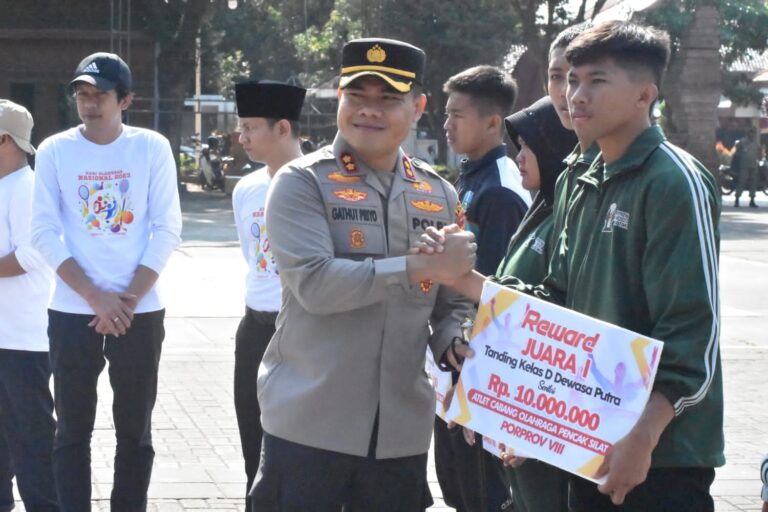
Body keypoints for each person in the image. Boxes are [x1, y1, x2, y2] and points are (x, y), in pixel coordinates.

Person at [420, 20, 723, 512]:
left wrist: (643, 437)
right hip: (587, 445)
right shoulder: (578, 178)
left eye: (596, 81)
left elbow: (693, 338)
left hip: (661, 455)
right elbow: (554, 301)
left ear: (645, 94)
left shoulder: (673, 181)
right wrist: (499, 391)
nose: (574, 95)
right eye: (570, 79)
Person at [250, 37, 476, 511]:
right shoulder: (301, 183)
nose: (369, 111)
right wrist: (422, 265)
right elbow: (315, 284)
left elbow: (450, 301)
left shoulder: (438, 193)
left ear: (417, 107)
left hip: (400, 435)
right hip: (309, 426)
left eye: (388, 99)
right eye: (357, 96)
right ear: (339, 100)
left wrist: (454, 338)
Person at [31, 52, 182, 511]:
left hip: (139, 310)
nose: (89, 103)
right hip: (74, 310)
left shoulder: (150, 147)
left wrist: (126, 300)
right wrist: (96, 297)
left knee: (134, 430)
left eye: (100, 95)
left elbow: (167, 228)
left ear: (126, 100)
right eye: (82, 94)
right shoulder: (56, 150)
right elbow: (43, 232)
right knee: (71, 429)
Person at [436, 64, 529, 512]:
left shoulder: (502, 190)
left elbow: (495, 293)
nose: (446, 124)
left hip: (477, 368)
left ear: (493, 123)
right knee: (458, 490)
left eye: (457, 115)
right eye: (445, 113)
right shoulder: (470, 176)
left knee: (485, 496)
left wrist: (472, 381)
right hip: (452, 360)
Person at [230, 80, 306, 510]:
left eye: (249, 127)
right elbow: (253, 257)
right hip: (255, 328)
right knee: (251, 444)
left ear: (282, 128)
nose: (242, 138)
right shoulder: (246, 189)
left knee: (301, 452)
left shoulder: (323, 180)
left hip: (304, 332)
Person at [500, 96, 577, 512]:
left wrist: (539, 424)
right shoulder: (542, 209)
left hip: (546, 411)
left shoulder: (567, 219)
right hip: (518, 405)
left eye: (528, 147)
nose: (519, 157)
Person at [0, 99, 58, 512]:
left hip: (24, 341)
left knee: (32, 441)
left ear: (4, 140)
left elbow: (30, 256)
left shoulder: (28, 188)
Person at [731, 127, 760, 207]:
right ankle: (737, 199)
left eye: (753, 133)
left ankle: (752, 200)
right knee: (742, 182)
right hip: (744, 166)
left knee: (753, 183)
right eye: (751, 132)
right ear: (748, 133)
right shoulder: (742, 142)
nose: (752, 134)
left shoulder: (755, 143)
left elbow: (758, 153)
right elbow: (737, 153)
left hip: (753, 166)